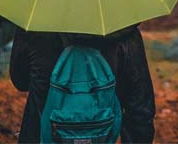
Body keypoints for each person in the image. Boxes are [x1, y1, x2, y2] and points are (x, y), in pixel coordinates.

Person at [9, 24, 156, 143]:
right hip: (101, 136)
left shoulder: (34, 27)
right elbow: (141, 108)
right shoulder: (124, 32)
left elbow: (20, 81)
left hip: (40, 135)